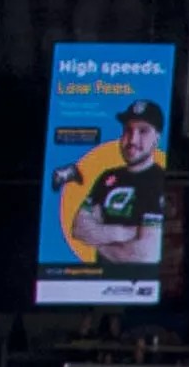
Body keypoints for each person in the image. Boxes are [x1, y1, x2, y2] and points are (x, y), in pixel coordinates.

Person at [60, 99, 169, 266]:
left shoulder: (159, 180)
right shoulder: (108, 177)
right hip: (98, 281)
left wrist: (98, 239)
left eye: (143, 131)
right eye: (128, 130)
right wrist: (124, 233)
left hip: (140, 284)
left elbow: (146, 255)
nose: (132, 140)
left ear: (157, 139)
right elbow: (79, 228)